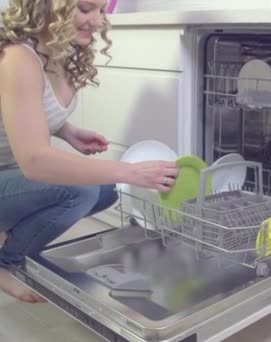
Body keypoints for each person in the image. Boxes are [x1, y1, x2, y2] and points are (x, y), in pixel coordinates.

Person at [0, 0, 178, 303]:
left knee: (106, 190)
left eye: (100, 10)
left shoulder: (56, 49)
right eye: (84, 8)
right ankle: (5, 262)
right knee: (80, 192)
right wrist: (132, 172)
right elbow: (35, 162)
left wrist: (68, 131)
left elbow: (25, 111)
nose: (97, 22)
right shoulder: (18, 57)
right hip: (13, 172)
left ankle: (10, 231)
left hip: (10, 174)